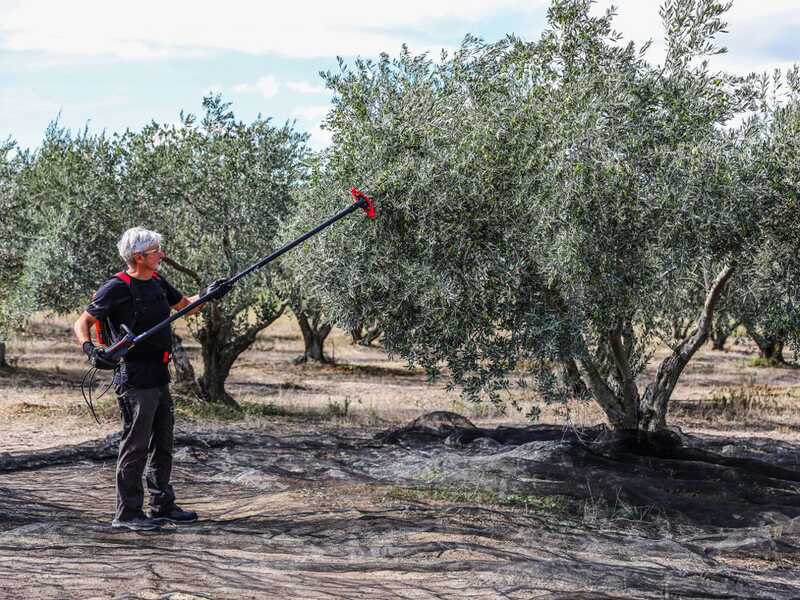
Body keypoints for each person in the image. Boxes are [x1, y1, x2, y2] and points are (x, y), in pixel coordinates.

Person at [73, 226, 230, 531]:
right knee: (136, 445)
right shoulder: (115, 288)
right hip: (134, 376)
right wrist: (91, 349)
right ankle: (128, 512)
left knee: (164, 443)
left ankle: (162, 505)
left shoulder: (157, 280)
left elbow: (185, 308)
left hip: (160, 374)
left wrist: (209, 295)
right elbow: (83, 322)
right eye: (157, 250)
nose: (162, 254)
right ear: (138, 256)